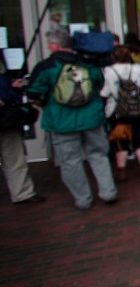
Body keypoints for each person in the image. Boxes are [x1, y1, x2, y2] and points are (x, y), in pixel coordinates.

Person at [27, 29, 117, 210]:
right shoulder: (88, 64)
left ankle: (83, 199)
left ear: (54, 45)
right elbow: (99, 84)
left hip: (62, 122)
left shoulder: (46, 67)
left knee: (70, 161)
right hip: (92, 118)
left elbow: (34, 93)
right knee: (98, 155)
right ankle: (108, 192)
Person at [100, 45, 140, 182]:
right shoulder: (137, 68)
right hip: (138, 108)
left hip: (118, 110)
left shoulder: (109, 71)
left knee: (121, 139)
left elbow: (105, 92)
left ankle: (121, 171)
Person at [0, 72, 44, 204]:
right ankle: (22, 193)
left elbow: (10, 96)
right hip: (5, 120)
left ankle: (23, 193)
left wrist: (15, 89)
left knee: (14, 158)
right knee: (14, 157)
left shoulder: (3, 74)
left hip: (6, 120)